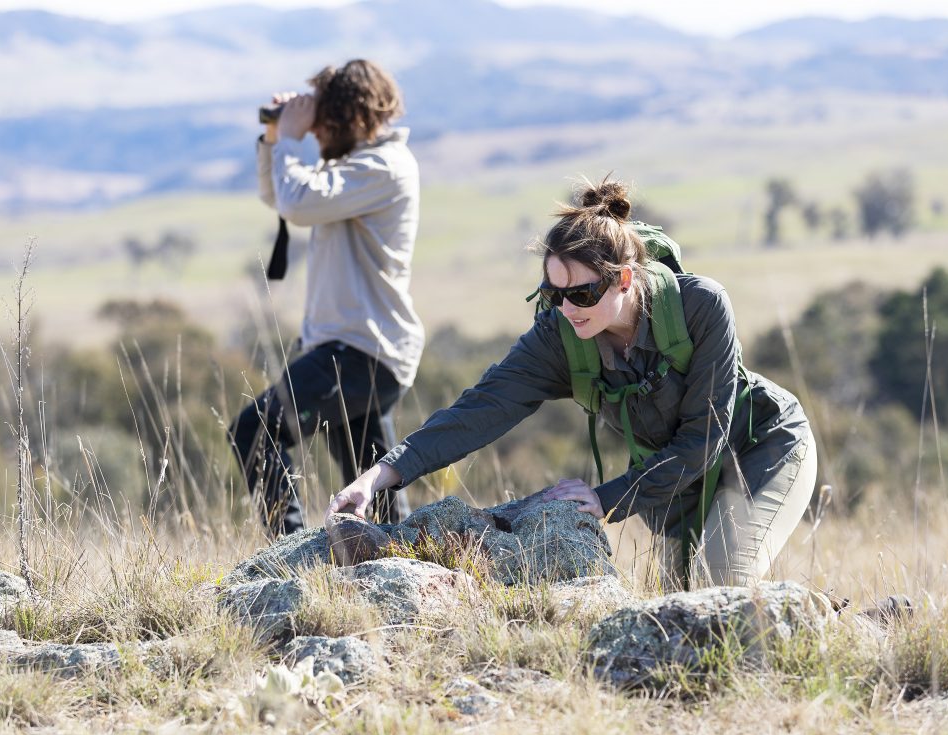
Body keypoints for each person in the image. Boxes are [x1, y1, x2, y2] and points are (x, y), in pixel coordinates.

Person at [328, 178, 816, 588]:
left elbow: (703, 439)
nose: (566, 309)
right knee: (674, 610)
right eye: (552, 293)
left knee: (720, 587)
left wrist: (605, 500)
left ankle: (818, 624)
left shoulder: (701, 306)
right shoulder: (560, 334)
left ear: (624, 280)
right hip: (677, 481)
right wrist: (381, 475)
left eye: (582, 293)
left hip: (762, 447)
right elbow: (481, 408)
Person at [230, 59, 421, 539]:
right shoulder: (356, 167)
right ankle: (396, 567)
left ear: (353, 118)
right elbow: (283, 198)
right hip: (353, 351)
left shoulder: (384, 167)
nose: (316, 135)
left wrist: (292, 140)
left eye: (324, 123)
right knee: (371, 488)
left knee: (255, 431)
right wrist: (276, 141)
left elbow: (298, 202)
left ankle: (291, 552)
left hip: (359, 353)